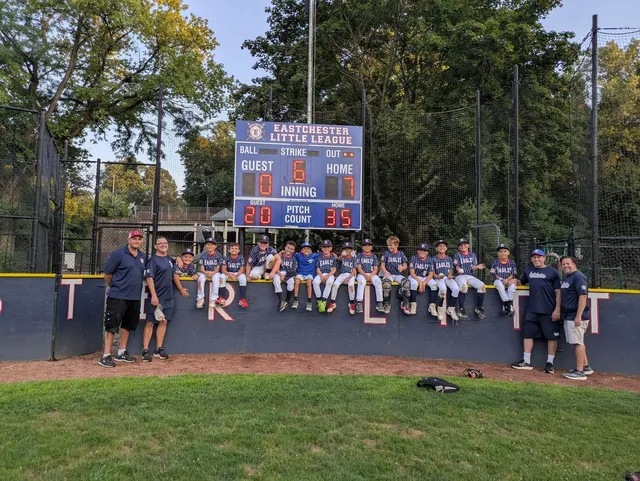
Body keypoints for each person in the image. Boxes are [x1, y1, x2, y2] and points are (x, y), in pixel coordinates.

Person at [100, 230, 146, 368]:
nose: (136, 241)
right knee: (112, 325)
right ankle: (106, 355)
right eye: (134, 238)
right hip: (118, 296)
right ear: (129, 240)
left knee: (127, 325)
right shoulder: (118, 254)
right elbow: (107, 274)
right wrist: (115, 287)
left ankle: (121, 352)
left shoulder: (142, 256)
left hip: (134, 297)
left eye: (139, 239)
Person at [511, 249, 562, 373]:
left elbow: (558, 292)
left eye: (539, 257)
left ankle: (550, 363)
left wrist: (557, 309)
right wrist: (512, 281)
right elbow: (520, 282)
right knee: (527, 335)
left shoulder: (553, 272)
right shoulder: (529, 271)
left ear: (544, 258)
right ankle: (526, 361)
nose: (536, 259)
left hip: (549, 310)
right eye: (534, 257)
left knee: (551, 337)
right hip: (532, 310)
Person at [560, 256, 595, 380]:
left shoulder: (578, 277)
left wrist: (578, 316)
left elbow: (583, 297)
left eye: (568, 263)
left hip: (576, 316)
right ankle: (586, 367)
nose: (565, 266)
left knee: (578, 343)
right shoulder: (566, 277)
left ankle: (579, 372)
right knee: (579, 341)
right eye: (563, 264)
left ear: (574, 264)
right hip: (569, 315)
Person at [141, 237, 174, 362]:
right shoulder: (152, 261)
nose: (163, 245)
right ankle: (145, 350)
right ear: (155, 246)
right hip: (156, 297)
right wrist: (154, 296)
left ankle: (158, 348)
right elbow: (149, 278)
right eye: (160, 243)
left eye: (165, 243)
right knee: (150, 322)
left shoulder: (170, 260)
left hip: (168, 297)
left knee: (163, 321)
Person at [453, 238, 487, 320]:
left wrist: (477, 267)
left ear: (468, 245)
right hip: (460, 276)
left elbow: (473, 267)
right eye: (461, 245)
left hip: (470, 276)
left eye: (464, 244)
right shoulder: (457, 255)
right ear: (459, 247)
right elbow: (456, 266)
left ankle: (479, 308)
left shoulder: (473, 255)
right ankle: (461, 309)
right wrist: (458, 269)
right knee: (464, 287)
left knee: (482, 286)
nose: (463, 246)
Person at [428, 240, 459, 322]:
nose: (442, 248)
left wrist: (450, 274)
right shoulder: (433, 259)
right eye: (439, 246)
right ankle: (440, 309)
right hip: (438, 278)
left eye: (443, 246)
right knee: (443, 289)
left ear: (446, 248)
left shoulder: (449, 258)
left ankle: (451, 309)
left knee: (456, 289)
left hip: (447, 277)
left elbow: (451, 269)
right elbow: (432, 272)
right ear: (436, 248)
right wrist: (437, 276)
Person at [379, 236, 408, 314]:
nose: (389, 247)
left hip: (398, 275)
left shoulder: (401, 254)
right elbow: (382, 265)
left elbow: (405, 265)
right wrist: (385, 272)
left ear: (396, 245)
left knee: (407, 283)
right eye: (388, 245)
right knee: (386, 285)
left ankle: (405, 304)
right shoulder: (386, 253)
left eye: (391, 245)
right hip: (389, 274)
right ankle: (386, 304)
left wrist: (402, 267)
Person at [328, 241, 357, 314]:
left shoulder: (353, 258)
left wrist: (349, 277)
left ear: (351, 250)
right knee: (335, 285)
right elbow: (338, 259)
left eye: (349, 249)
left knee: (351, 286)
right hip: (342, 274)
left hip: (350, 274)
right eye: (345, 249)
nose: (347, 250)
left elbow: (354, 270)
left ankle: (352, 303)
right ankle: (332, 303)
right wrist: (342, 255)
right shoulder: (343, 257)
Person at [356, 239, 384, 313]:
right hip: (362, 274)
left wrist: (370, 276)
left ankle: (380, 302)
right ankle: (359, 302)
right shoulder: (359, 255)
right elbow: (359, 268)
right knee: (362, 282)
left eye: (369, 245)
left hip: (372, 274)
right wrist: (365, 275)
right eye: (365, 245)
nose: (367, 247)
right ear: (362, 247)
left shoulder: (374, 256)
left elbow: (375, 269)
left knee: (378, 281)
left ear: (371, 247)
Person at [489, 244, 518, 316]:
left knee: (513, 286)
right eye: (501, 251)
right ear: (498, 253)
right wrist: (502, 279)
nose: (503, 253)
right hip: (498, 280)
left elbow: (513, 274)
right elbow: (493, 273)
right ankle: (508, 304)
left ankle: (506, 307)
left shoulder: (512, 262)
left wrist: (507, 280)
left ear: (508, 253)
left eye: (505, 251)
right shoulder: (495, 262)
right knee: (499, 284)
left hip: (508, 280)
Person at [196, 238, 223, 309]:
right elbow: (202, 268)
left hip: (215, 272)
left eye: (212, 244)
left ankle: (213, 299)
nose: (210, 246)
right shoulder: (203, 255)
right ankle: (200, 298)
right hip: (206, 272)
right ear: (205, 246)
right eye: (208, 244)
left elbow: (218, 268)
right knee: (200, 279)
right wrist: (206, 272)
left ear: (215, 246)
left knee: (216, 279)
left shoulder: (218, 255)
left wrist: (212, 273)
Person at [271, 240, 298, 311]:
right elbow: (275, 267)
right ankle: (280, 300)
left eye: (291, 249)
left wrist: (286, 277)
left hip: (288, 274)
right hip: (279, 272)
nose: (289, 250)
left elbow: (293, 271)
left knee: (291, 282)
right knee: (276, 280)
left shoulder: (294, 259)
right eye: (288, 248)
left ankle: (287, 301)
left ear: (294, 251)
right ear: (285, 247)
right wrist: (280, 275)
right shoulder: (280, 257)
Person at [408, 243, 433, 315]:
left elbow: (431, 274)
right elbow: (412, 273)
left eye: (425, 250)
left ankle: (432, 305)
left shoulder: (430, 260)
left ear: (427, 252)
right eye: (421, 250)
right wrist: (420, 283)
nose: (422, 252)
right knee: (414, 284)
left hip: (424, 277)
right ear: (417, 251)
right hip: (414, 276)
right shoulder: (414, 258)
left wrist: (424, 283)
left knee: (434, 285)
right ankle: (413, 304)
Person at [292, 241, 318, 311]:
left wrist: (335, 255)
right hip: (300, 273)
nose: (306, 250)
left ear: (311, 251)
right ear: (301, 250)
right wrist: (281, 252)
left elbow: (325, 254)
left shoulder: (314, 255)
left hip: (309, 274)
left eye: (308, 249)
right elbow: (290, 253)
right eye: (304, 249)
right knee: (297, 281)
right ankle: (295, 299)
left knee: (309, 282)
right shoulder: (298, 255)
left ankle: (309, 301)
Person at [221, 242, 248, 308]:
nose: (234, 250)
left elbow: (242, 270)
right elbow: (223, 270)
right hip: (228, 272)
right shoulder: (226, 257)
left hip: (237, 273)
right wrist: (228, 274)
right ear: (229, 250)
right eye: (232, 248)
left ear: (239, 251)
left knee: (243, 278)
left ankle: (242, 299)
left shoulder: (240, 257)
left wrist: (236, 275)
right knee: (221, 277)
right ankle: (221, 298)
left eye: (236, 248)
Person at [313, 240, 337, 313]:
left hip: (330, 274)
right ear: (321, 248)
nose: (326, 248)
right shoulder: (319, 257)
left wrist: (327, 276)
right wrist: (321, 276)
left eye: (328, 247)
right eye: (324, 247)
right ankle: (319, 300)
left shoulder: (333, 257)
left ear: (331, 248)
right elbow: (318, 268)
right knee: (315, 282)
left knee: (329, 282)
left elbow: (334, 269)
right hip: (321, 273)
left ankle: (324, 300)